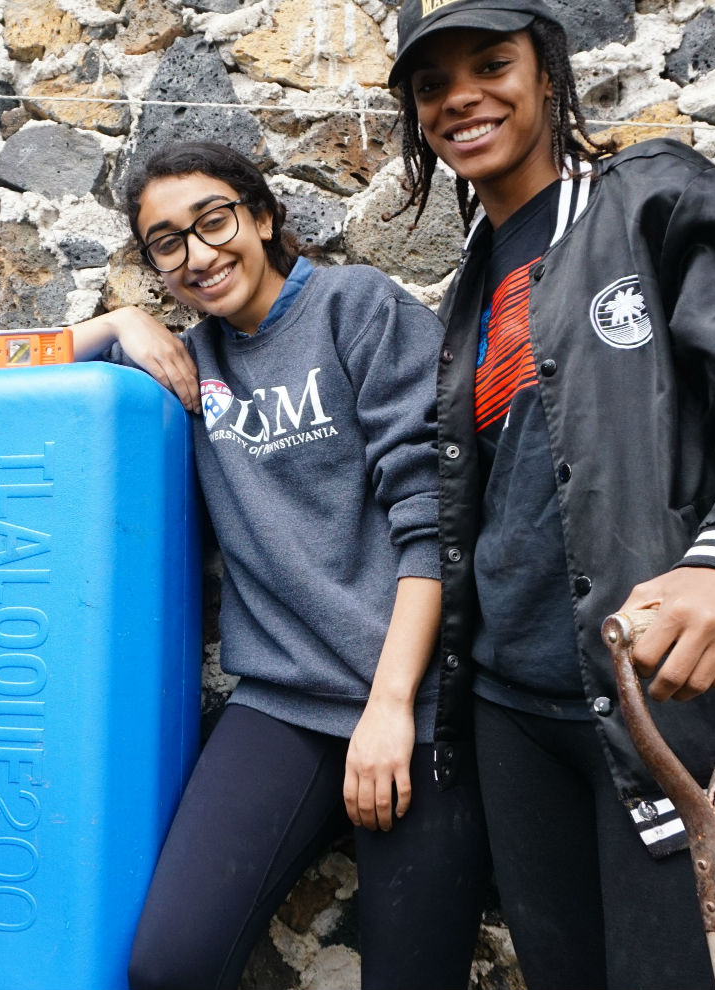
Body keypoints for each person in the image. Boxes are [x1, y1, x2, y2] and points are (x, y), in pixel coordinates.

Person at [387, 0, 715, 989]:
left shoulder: (651, 197)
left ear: (547, 70)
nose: (462, 99)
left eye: (491, 64)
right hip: (514, 711)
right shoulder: (470, 284)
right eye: (432, 84)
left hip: (669, 707)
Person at [72, 142, 487, 990]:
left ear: (262, 217)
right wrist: (115, 325)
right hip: (284, 705)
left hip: (417, 703)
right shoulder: (184, 367)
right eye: (166, 242)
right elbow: (4, 362)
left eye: (214, 220)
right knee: (169, 966)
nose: (198, 254)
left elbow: (436, 521)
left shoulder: (354, 308)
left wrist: (393, 708)